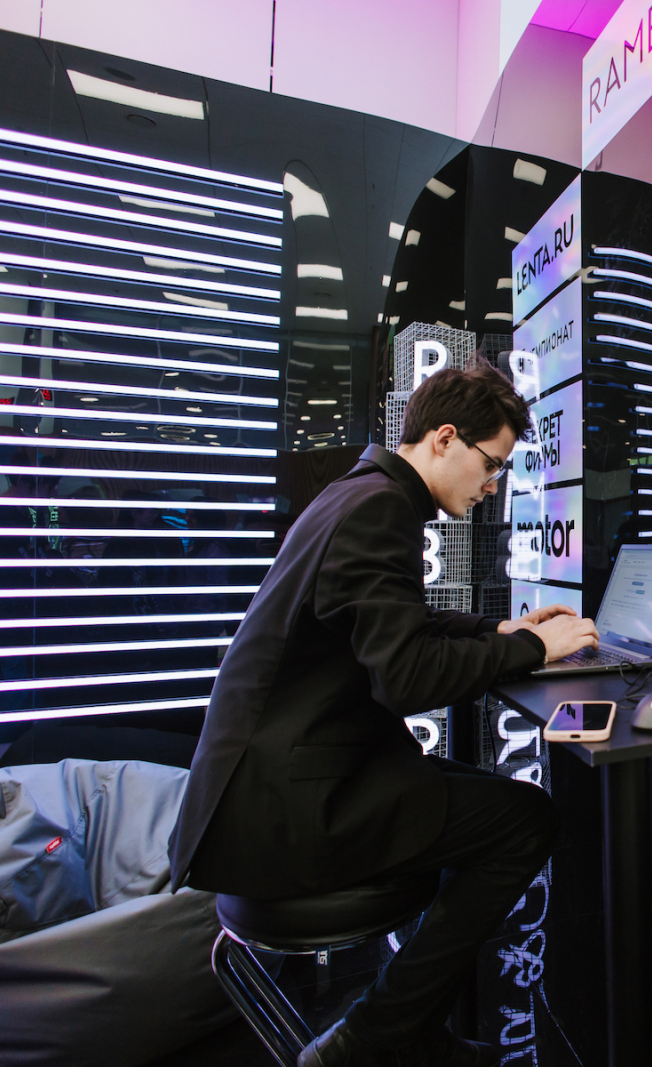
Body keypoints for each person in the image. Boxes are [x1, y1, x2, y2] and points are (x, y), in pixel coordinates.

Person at [168, 361, 599, 1067]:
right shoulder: (379, 510)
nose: (493, 486)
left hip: (282, 782)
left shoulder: (361, 492)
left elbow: (397, 623)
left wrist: (498, 631)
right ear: (444, 438)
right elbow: (406, 676)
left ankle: (412, 1029)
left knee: (486, 800)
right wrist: (532, 649)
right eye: (491, 465)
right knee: (527, 819)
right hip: (290, 810)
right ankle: (375, 1036)